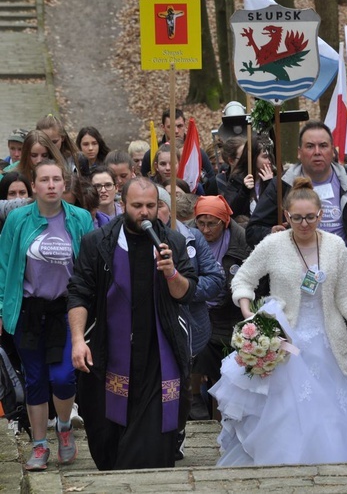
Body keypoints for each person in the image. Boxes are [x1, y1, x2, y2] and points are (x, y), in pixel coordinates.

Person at [212, 177, 347, 466]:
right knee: (287, 410)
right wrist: (250, 315)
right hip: (285, 340)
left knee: (334, 408)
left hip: (329, 340)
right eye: (297, 218)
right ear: (286, 216)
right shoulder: (273, 244)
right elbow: (244, 279)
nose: (305, 224)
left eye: (311, 217)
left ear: (321, 214)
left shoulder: (335, 246)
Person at [67, 177, 198, 470]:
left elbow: (186, 293)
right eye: (137, 206)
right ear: (122, 204)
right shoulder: (98, 242)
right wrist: (77, 340)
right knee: (107, 434)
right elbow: (79, 292)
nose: (144, 212)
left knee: (152, 441)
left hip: (158, 354)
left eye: (151, 206)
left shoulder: (172, 242)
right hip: (109, 351)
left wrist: (171, 273)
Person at [0, 159, 93, 471]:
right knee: (36, 380)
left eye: (57, 180)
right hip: (28, 310)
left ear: (64, 185)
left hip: (67, 311)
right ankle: (39, 446)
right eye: (45, 180)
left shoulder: (80, 219)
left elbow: (90, 267)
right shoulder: (18, 220)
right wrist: (1, 307)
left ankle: (64, 428)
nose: (51, 185)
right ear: (34, 186)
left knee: (63, 377)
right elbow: (4, 266)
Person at [246, 120, 347, 281]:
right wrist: (270, 233)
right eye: (310, 146)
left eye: (323, 145)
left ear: (331, 150)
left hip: (345, 278)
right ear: (299, 153)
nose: (317, 152)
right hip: (297, 282)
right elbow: (252, 230)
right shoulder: (282, 185)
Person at [155, 186, 224, 453]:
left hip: (187, 323)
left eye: (159, 205)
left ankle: (177, 431)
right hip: (149, 324)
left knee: (180, 381)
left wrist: (186, 289)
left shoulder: (192, 238)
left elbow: (215, 279)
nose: (152, 211)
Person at [191, 195, 250, 421]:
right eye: (201, 222)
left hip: (228, 314)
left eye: (211, 223)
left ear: (224, 222)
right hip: (199, 309)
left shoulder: (240, 240)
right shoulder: (189, 239)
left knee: (225, 370)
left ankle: (224, 416)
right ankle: (196, 400)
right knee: (198, 352)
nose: (205, 230)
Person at [139, 109, 217, 195]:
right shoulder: (151, 155)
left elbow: (211, 184)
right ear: (163, 127)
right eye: (171, 127)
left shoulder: (197, 154)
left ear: (185, 126)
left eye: (180, 126)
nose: (176, 131)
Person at [217, 134, 274, 219]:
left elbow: (276, 210)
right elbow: (231, 212)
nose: (269, 161)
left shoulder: (275, 177)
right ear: (253, 157)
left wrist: (269, 185)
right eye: (265, 157)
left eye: (271, 156)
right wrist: (244, 191)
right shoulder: (237, 179)